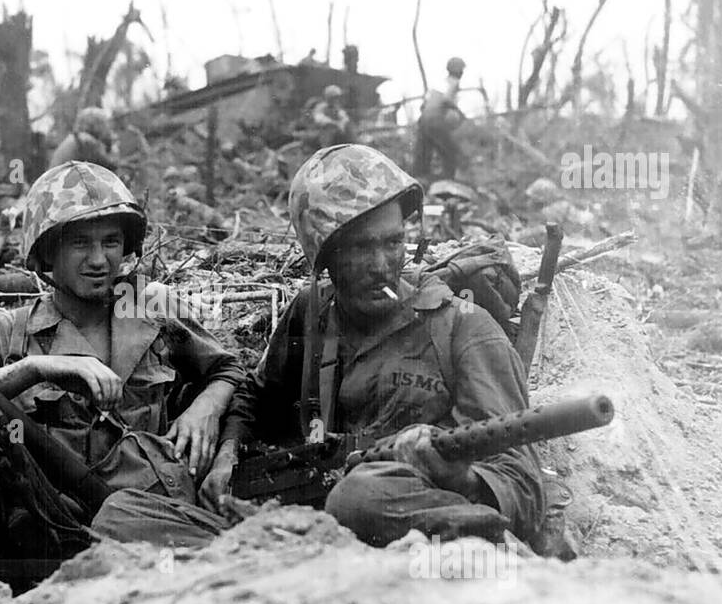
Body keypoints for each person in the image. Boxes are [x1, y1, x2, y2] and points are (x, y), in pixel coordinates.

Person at [0, 162, 244, 598]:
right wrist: (35, 369)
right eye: (80, 243)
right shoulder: (3, 333)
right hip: (38, 529)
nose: (98, 259)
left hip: (139, 515)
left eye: (111, 241)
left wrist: (207, 407)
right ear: (47, 252)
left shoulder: (152, 308)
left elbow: (230, 369)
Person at [204, 144, 544, 547]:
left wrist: (459, 477)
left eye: (393, 242)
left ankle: (489, 550)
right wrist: (226, 453)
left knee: (358, 498)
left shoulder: (464, 328)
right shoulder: (312, 313)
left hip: (397, 514)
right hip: (306, 515)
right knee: (133, 509)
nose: (382, 263)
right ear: (325, 256)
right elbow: (258, 398)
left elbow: (524, 484)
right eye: (361, 248)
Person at [413, 56, 467, 181]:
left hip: (423, 120)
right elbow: (447, 99)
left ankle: (418, 183)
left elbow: (423, 106)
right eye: (462, 70)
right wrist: (460, 112)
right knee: (451, 152)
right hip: (435, 121)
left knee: (423, 154)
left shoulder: (438, 84)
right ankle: (449, 181)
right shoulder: (454, 82)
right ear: (458, 71)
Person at [50, 107, 116, 170]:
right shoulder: (86, 141)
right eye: (105, 124)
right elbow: (107, 165)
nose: (108, 128)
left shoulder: (75, 138)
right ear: (97, 124)